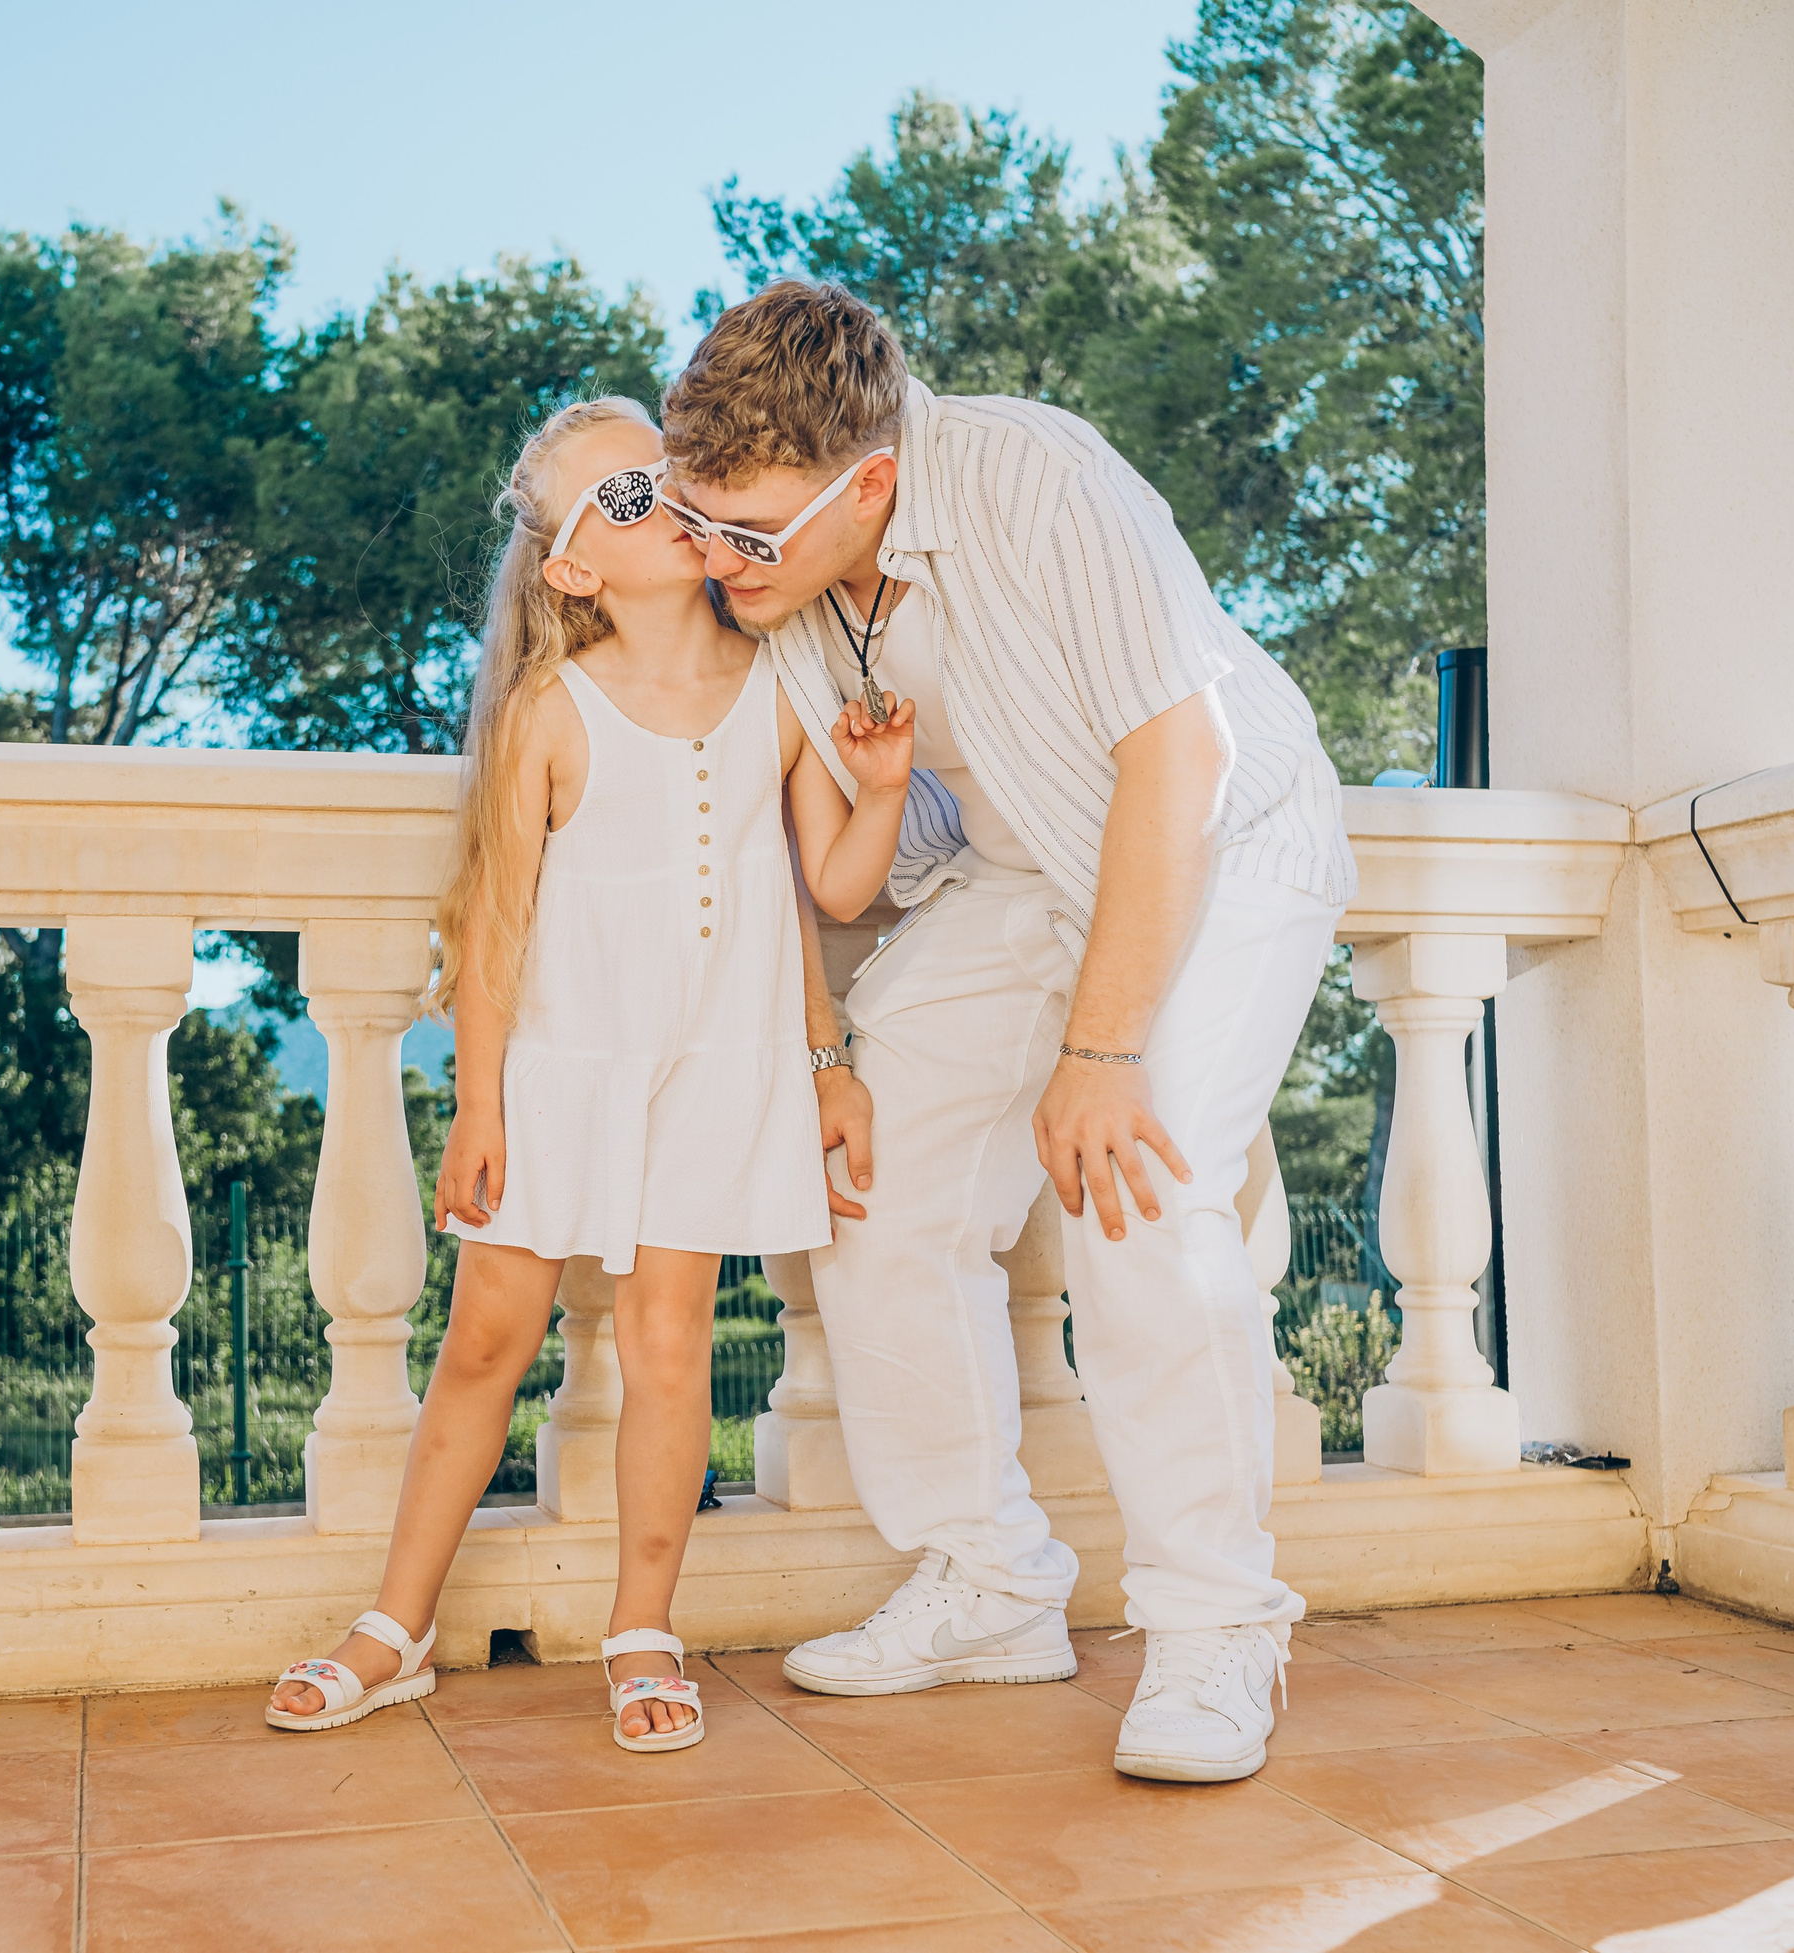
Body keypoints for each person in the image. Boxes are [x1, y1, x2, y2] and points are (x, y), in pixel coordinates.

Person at [658, 281, 1356, 1783]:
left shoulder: (1038, 480)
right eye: (693, 519)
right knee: (872, 1182)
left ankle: (1218, 1626)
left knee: (1137, 1195)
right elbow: (789, 847)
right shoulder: (768, 583)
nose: (715, 560)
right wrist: (829, 1056)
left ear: (871, 484)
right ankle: (990, 1583)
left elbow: (1183, 755)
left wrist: (1102, 1054)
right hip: (1019, 868)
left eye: (750, 534)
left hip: (1219, 843)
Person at [265, 395, 916, 1752]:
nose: (667, 504)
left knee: (671, 1347)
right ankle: (396, 1623)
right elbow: (494, 929)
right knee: (485, 1342)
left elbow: (829, 892)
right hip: (563, 1074)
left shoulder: (783, 687)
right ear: (572, 569)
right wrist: (480, 1105)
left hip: (717, 1071)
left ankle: (642, 1628)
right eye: (628, 499)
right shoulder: (549, 714)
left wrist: (887, 790)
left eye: (671, 478)